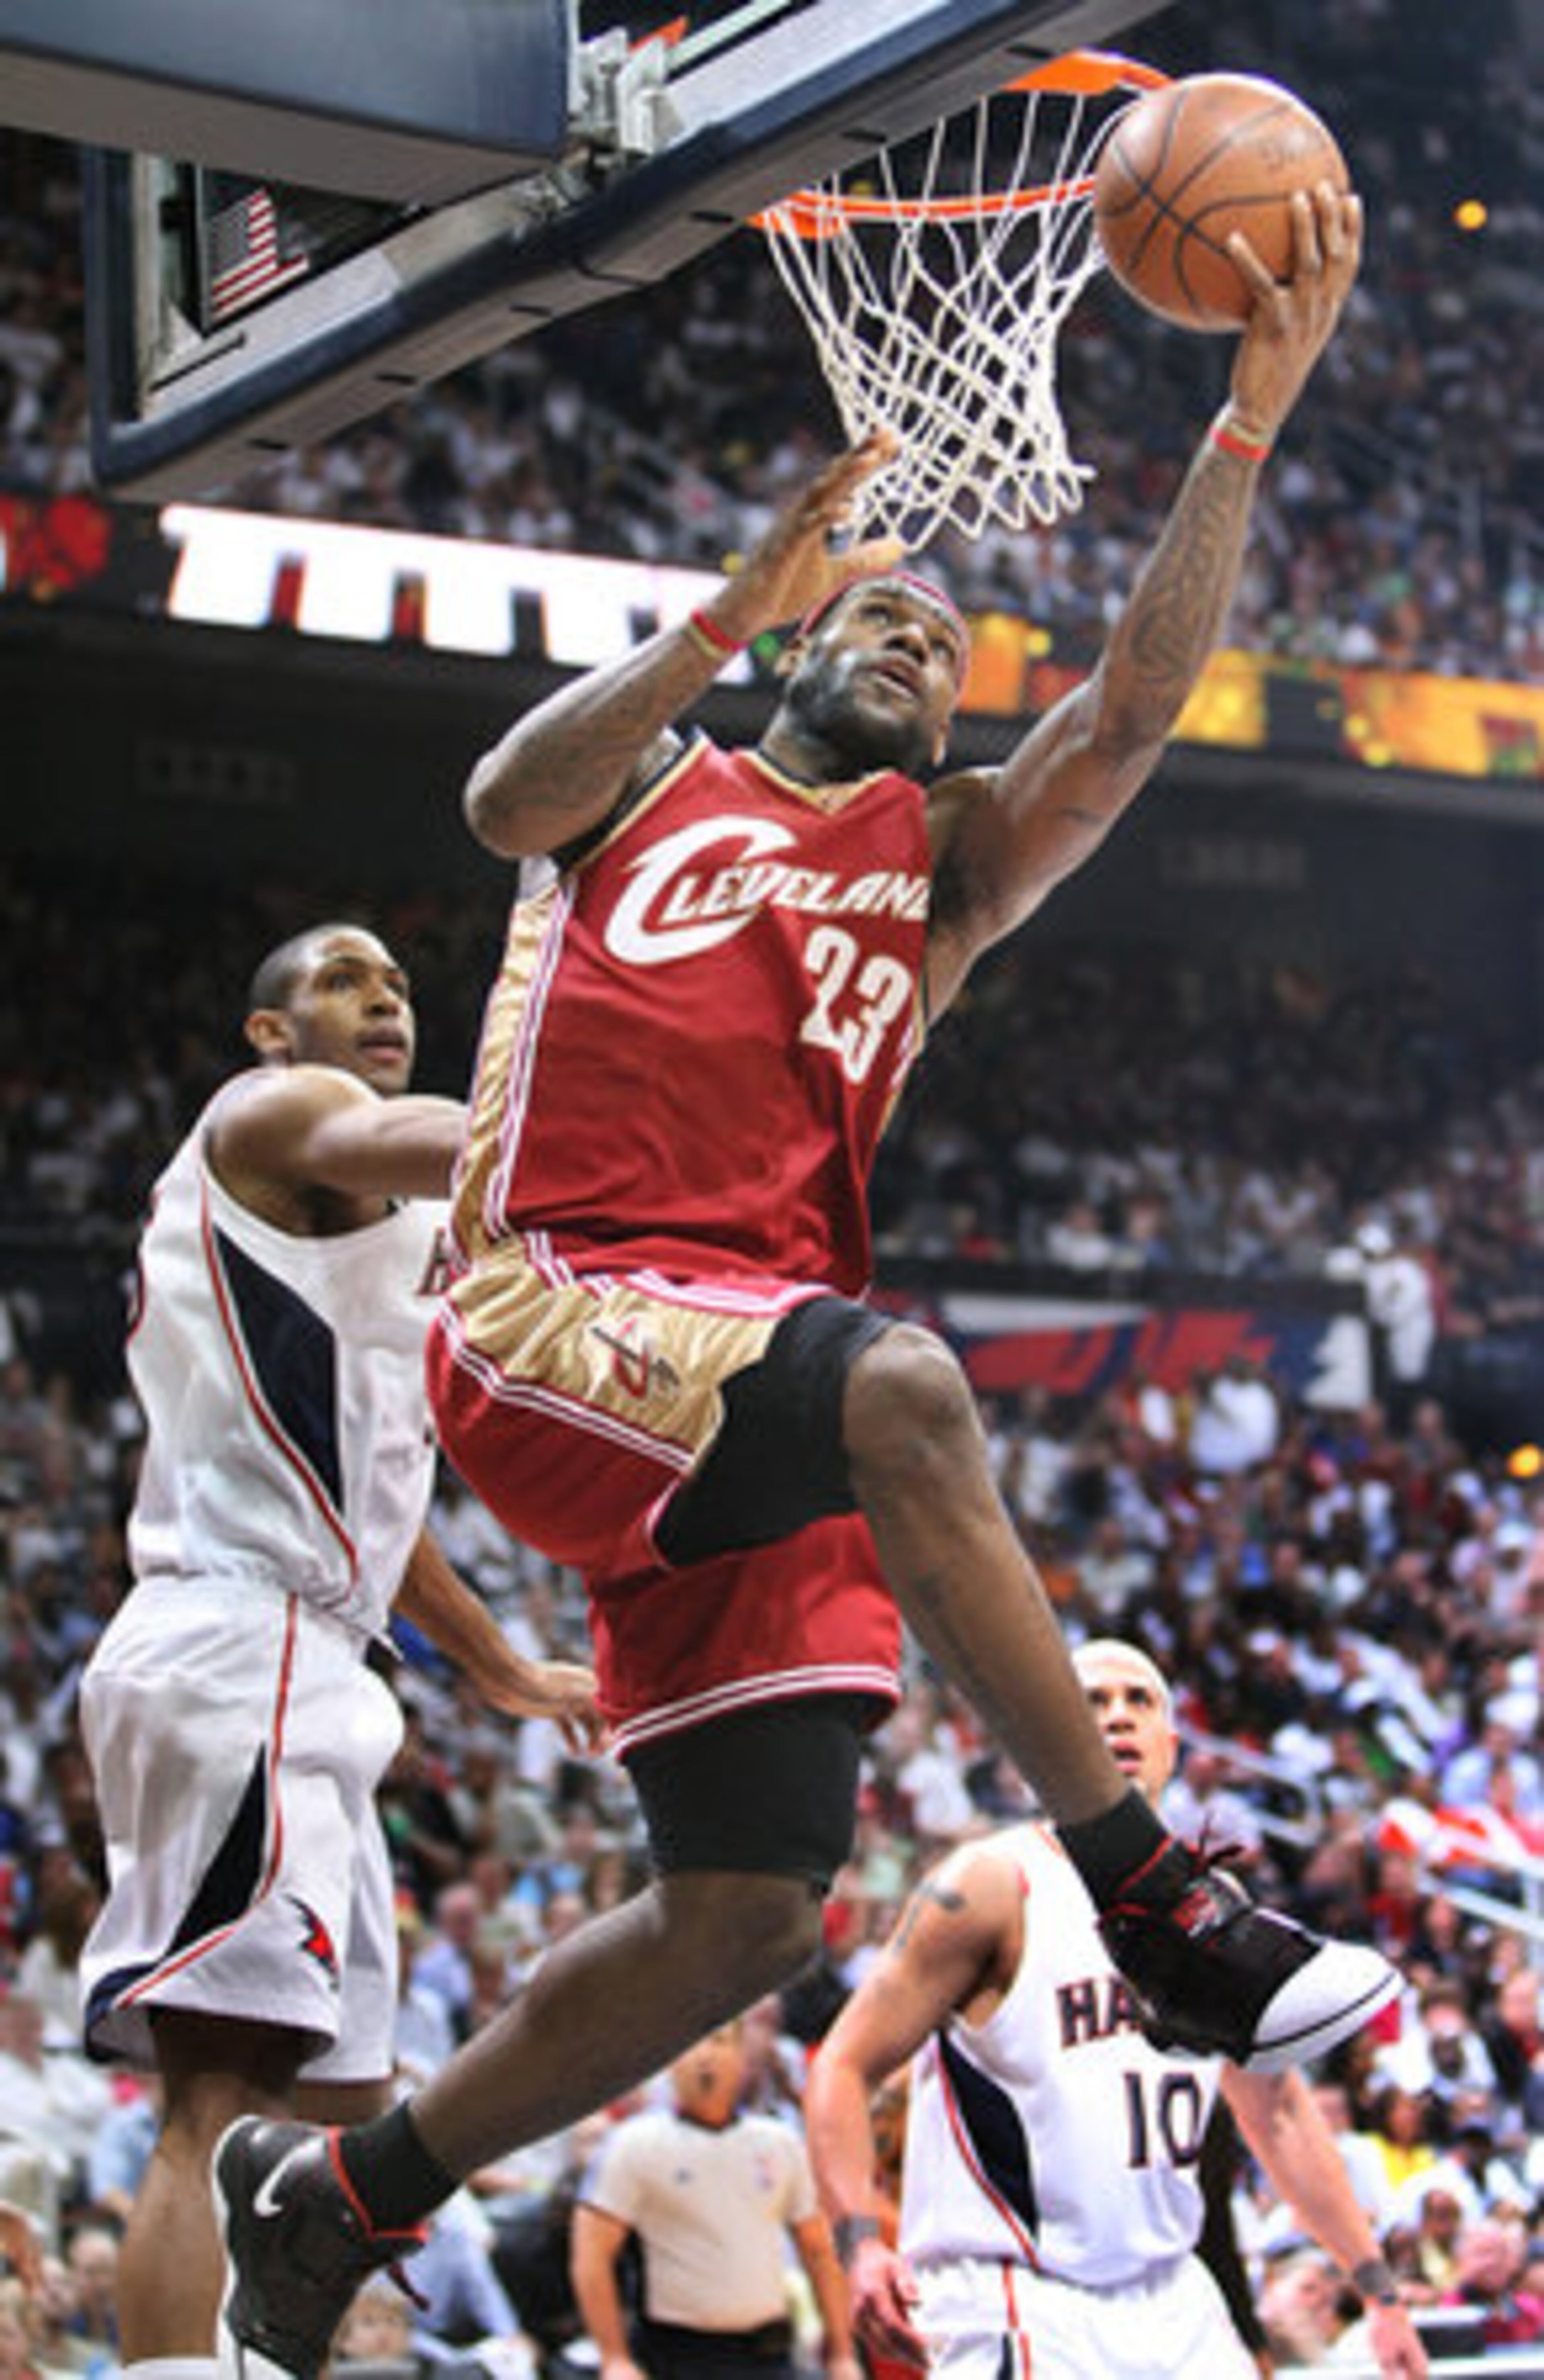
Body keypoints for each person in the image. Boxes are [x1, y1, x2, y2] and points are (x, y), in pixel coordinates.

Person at [214, 187, 1398, 2380]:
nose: (918, 637)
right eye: (880, 614)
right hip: (560, 1320)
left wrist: (1245, 422)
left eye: (951, 640)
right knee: (917, 1390)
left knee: (753, 1903)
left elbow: (1128, 714)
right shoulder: (653, 780)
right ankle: (1156, 1895)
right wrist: (712, 617)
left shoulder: (934, 874)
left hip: (741, 1387)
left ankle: (346, 2194)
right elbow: (499, 797)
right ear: (790, 637)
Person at [75, 924, 603, 2380]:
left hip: (312, 1651)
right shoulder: (271, 1116)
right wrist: (624, 1060)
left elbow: (384, 1517)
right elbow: (477, 1146)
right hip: (236, 1639)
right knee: (220, 2105)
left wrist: (503, 1670)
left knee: (342, 2108)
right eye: (346, 980)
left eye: (398, 987)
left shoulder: (360, 1231)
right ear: (269, 1030)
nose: (385, 998)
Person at [802, 1640, 1428, 2380]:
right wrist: (859, 2240)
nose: (1118, 1717)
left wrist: (1379, 2291)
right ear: (1048, 1733)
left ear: (1171, 1741)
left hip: (1171, 2292)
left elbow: (1280, 2112)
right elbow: (841, 2063)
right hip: (1020, 2292)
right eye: (1092, 1702)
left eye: (1140, 1700)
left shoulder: (1215, 1912)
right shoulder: (990, 1884)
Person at [569, 2021, 857, 2380]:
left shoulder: (780, 2143)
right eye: (691, 2045)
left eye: (719, 2042)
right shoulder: (633, 2146)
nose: (705, 2056)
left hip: (770, 2352)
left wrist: (842, 2352)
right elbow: (591, 2257)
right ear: (670, 2062)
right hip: (679, 2356)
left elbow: (819, 2251)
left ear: (740, 2056)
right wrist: (615, 2358)